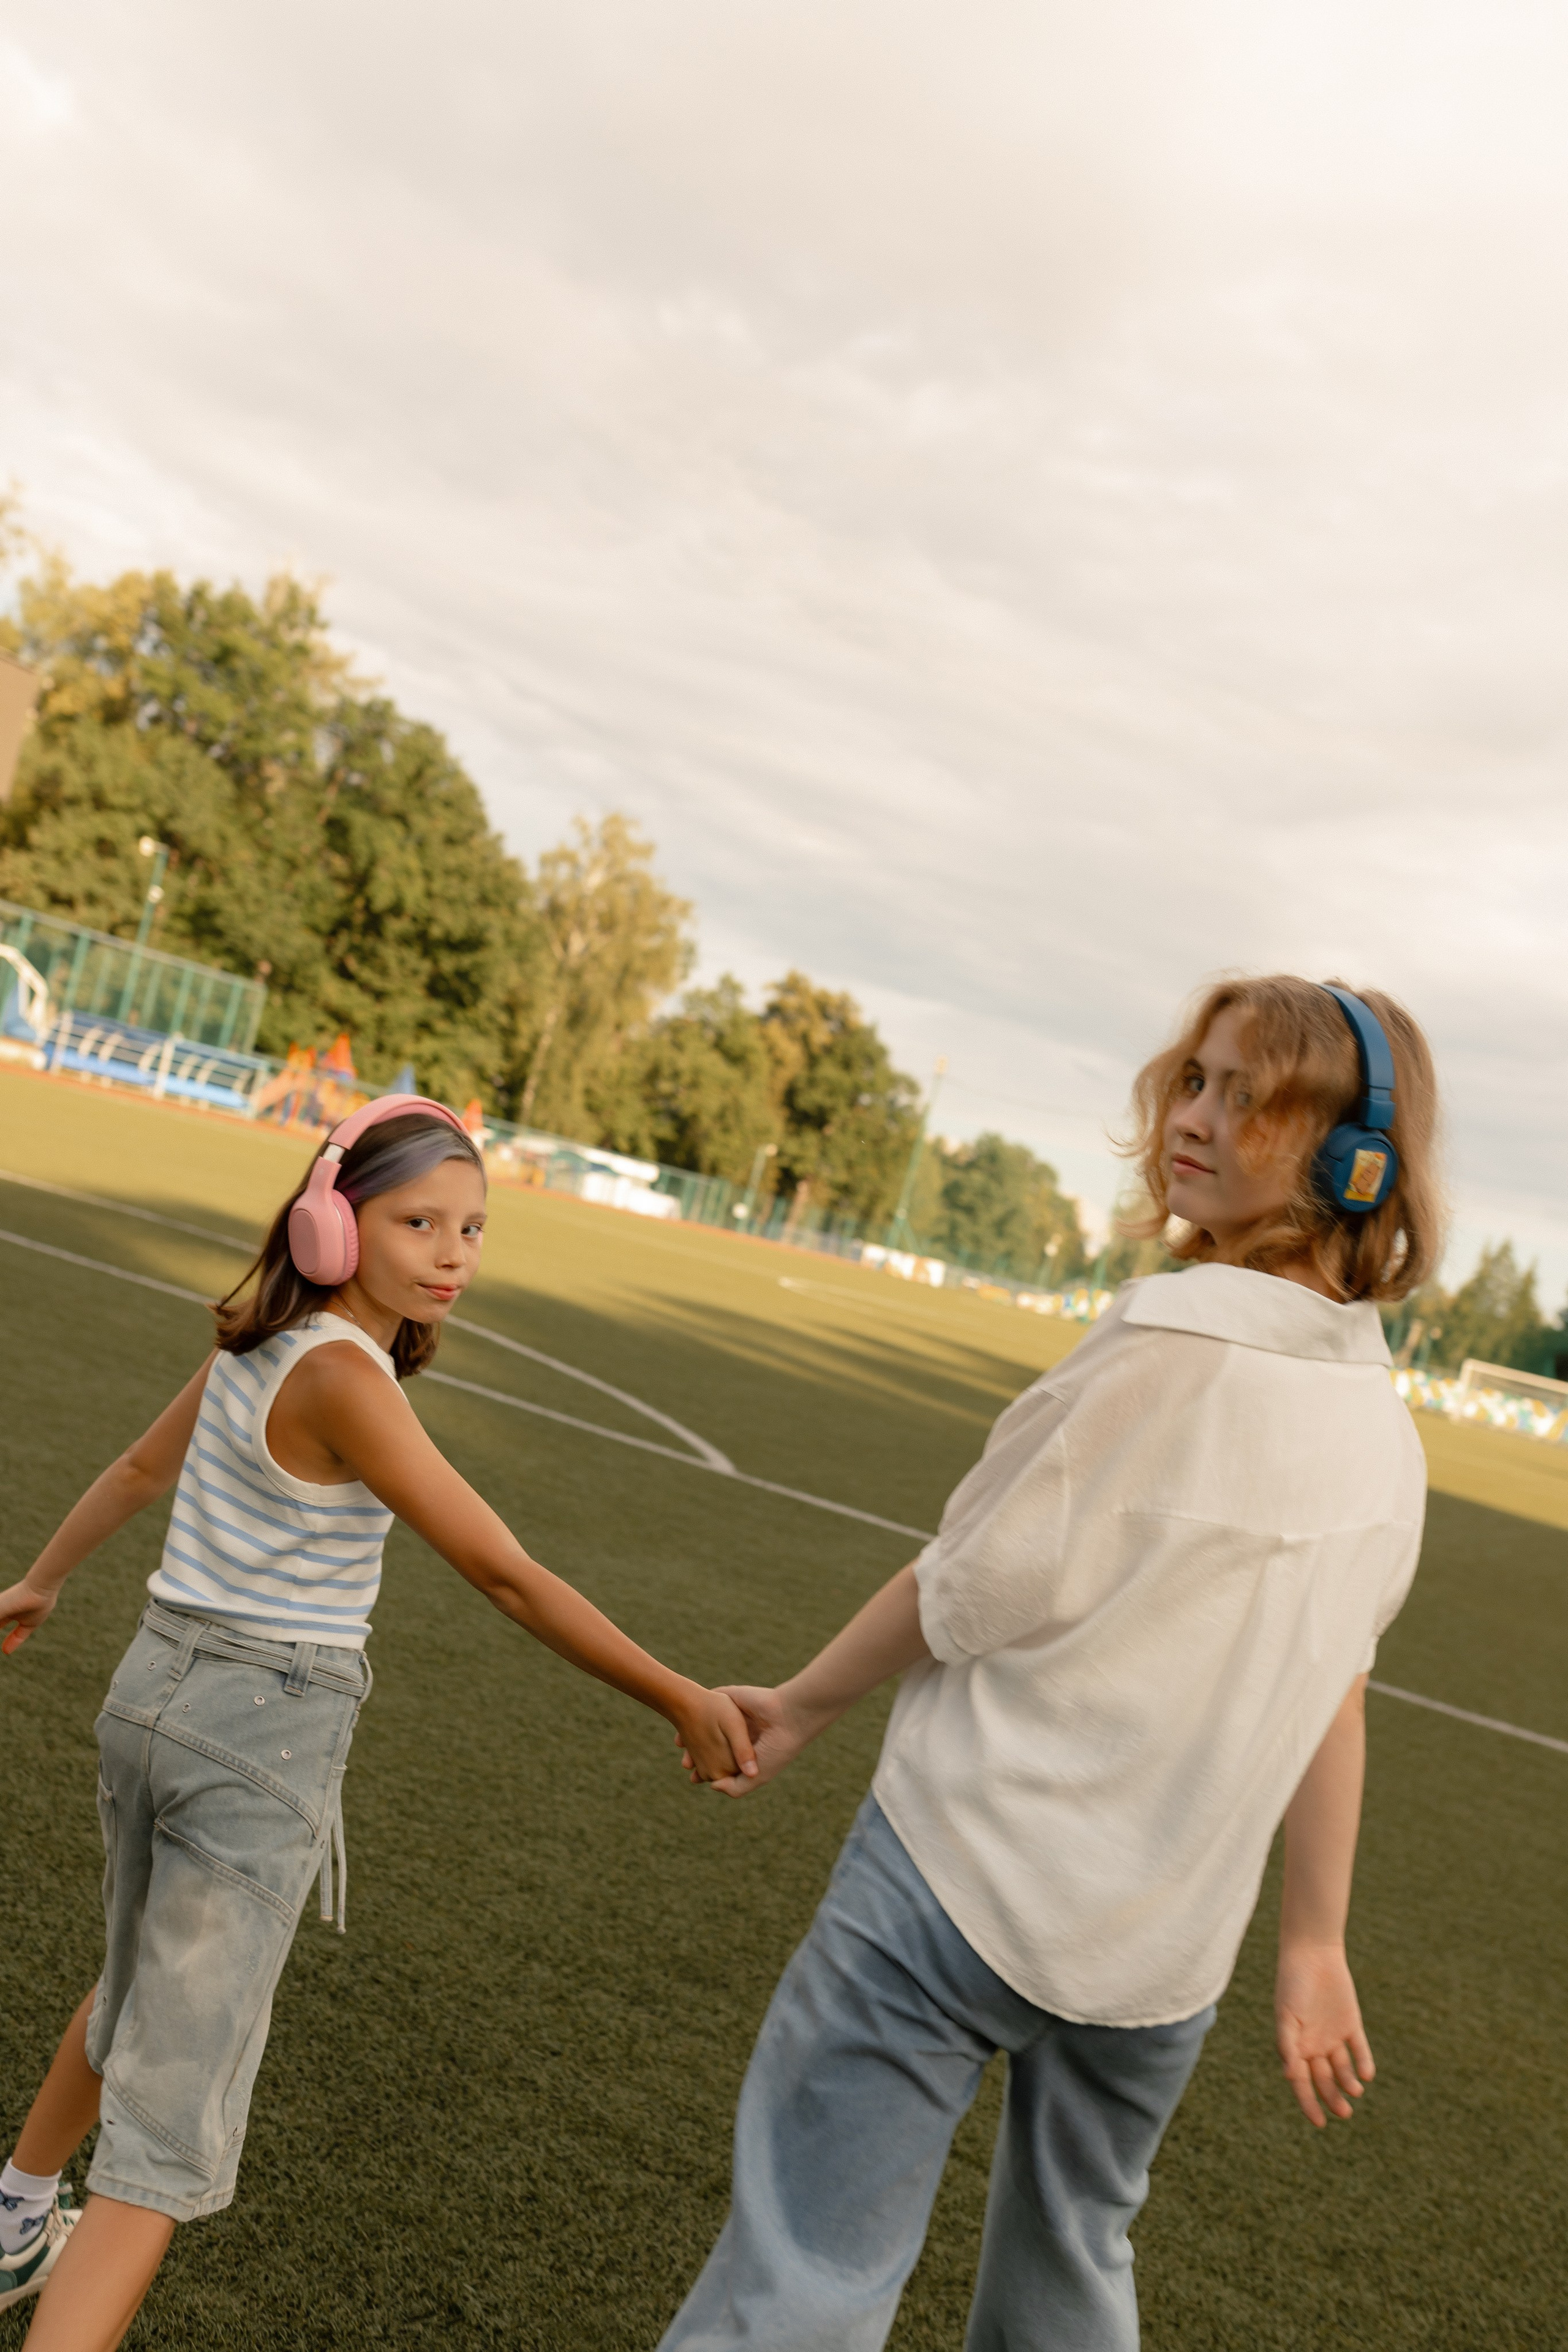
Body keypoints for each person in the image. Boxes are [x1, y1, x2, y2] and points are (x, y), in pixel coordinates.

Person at [666, 977, 1441, 2352]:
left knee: (809, 2274)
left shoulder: (1158, 1348)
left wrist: (800, 1704)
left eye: (1238, 1095)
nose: (1189, 1118)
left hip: (957, 1879)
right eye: (1191, 1080)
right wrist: (1309, 1940)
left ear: (1347, 1160)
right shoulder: (1387, 1441)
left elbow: (968, 1587)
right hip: (1165, 1958)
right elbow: (1340, 1691)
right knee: (1071, 2262)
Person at [0, 1095, 754, 2351]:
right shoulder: (350, 1380)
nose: (455, 1253)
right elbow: (503, 1571)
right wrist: (676, 1692)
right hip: (255, 1738)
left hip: (149, 1700)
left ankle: (18, 2209)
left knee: (133, 1989)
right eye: (419, 1222)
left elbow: (142, 1469)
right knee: (171, 2123)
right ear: (329, 1223)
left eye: (471, 1227)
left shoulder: (255, 1348)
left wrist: (42, 1578)